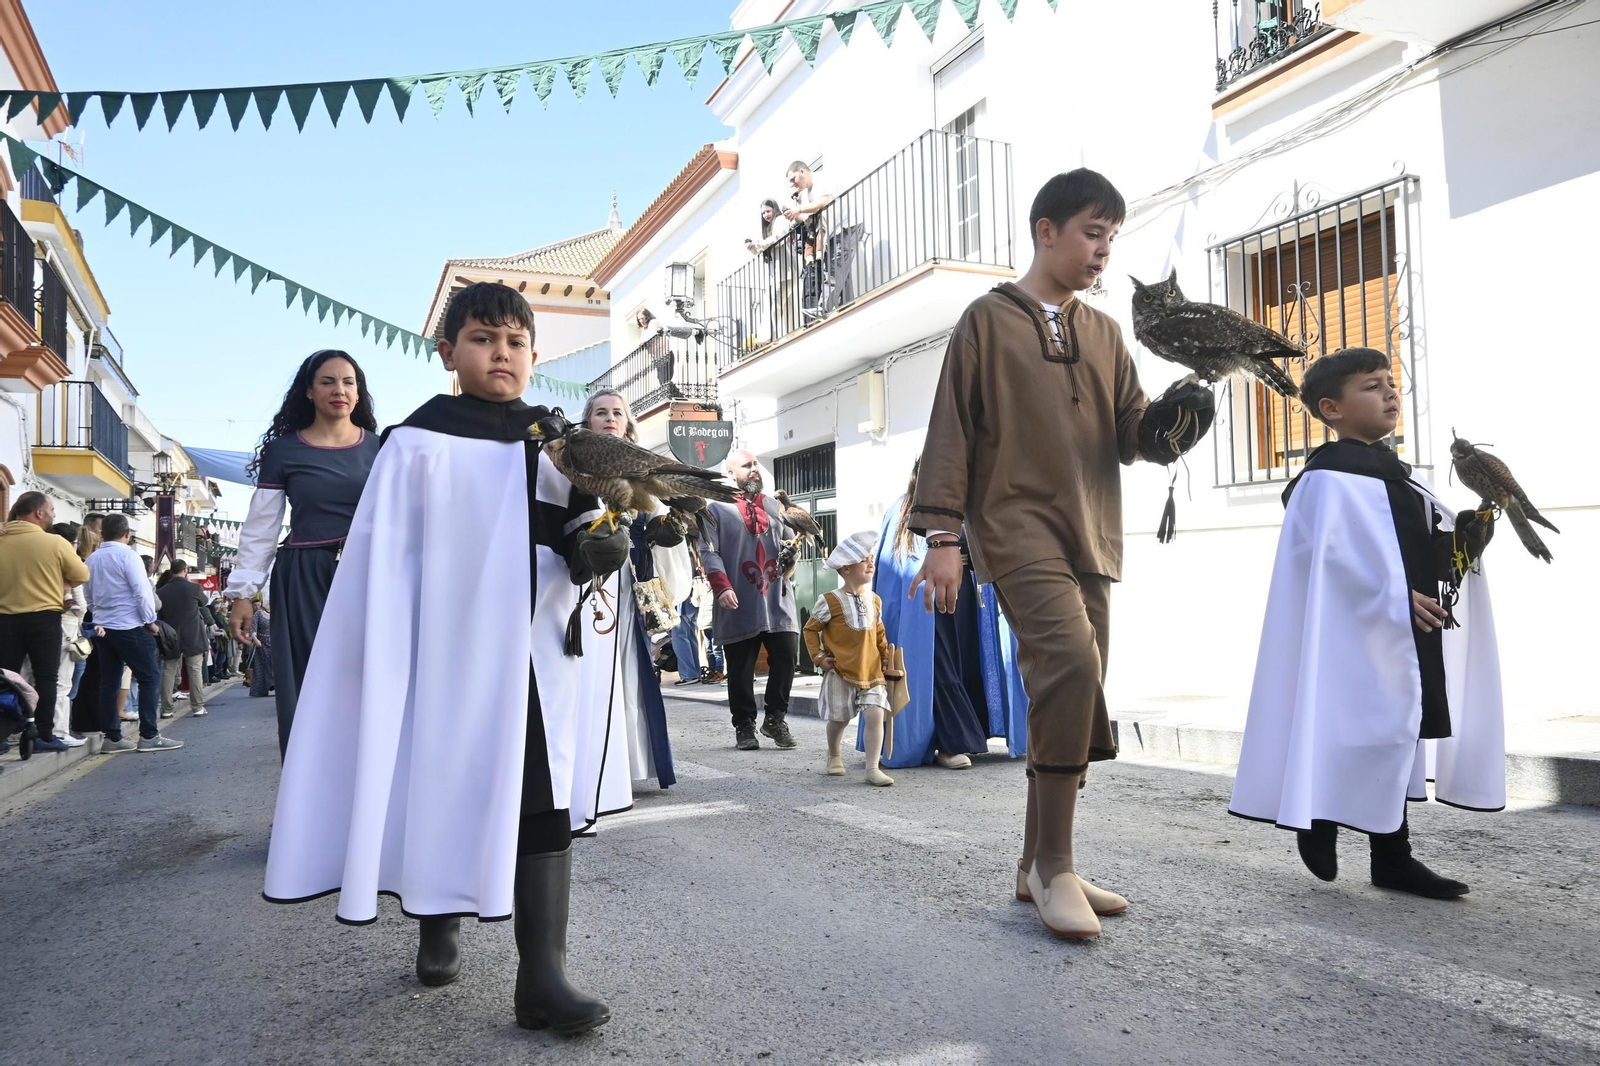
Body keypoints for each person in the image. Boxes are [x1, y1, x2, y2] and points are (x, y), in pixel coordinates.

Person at [263, 282, 632, 1035]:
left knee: (540, 792)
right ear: (448, 352)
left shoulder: (553, 437)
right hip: (446, 649)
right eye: (483, 338)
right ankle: (436, 915)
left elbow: (579, 521)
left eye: (517, 342)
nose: (503, 353)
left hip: (532, 652)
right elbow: (389, 559)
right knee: (441, 779)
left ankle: (542, 978)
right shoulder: (416, 440)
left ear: (534, 354)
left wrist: (597, 542)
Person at [906, 169, 1216, 939]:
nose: (1104, 249)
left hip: (1094, 533)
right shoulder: (987, 320)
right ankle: (1054, 867)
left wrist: (1173, 425)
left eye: (1112, 235)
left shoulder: (1106, 334)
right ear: (1046, 230)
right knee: (1072, 667)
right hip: (1013, 528)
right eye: (1091, 231)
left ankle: (1038, 864)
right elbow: (949, 430)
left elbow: (1134, 434)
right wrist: (943, 535)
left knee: (1073, 692)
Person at [1229, 348, 1505, 899]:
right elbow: (1328, 561)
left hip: (1404, 631)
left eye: (1391, 383)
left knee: (1395, 733)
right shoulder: (1328, 478)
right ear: (1331, 409)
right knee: (1350, 726)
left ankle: (1392, 858)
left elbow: (1420, 546)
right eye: (1372, 386)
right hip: (1350, 637)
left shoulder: (1397, 475)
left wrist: (1463, 540)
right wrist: (1392, 595)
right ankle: (1317, 816)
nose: (1390, 393)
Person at [226, 349, 382, 758]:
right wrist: (243, 594)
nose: (339, 390)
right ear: (309, 391)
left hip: (371, 576)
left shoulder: (383, 449)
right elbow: (261, 528)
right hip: (304, 580)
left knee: (371, 683)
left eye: (349, 382)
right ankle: (311, 796)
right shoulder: (283, 451)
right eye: (328, 381)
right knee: (313, 686)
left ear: (359, 391)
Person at [872, 459, 1026, 771]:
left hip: (969, 596)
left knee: (969, 663)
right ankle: (949, 742)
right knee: (938, 667)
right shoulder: (903, 511)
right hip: (927, 605)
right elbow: (896, 572)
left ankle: (974, 731)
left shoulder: (969, 506)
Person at [580, 388, 688, 790]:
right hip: (581, 589)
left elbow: (662, 528)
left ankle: (625, 764)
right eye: (600, 412)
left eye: (618, 413)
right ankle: (588, 763)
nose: (610, 418)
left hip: (626, 590)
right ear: (587, 421)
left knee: (626, 671)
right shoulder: (575, 467)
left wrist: (669, 530)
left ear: (628, 424)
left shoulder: (642, 469)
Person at [700, 450, 800, 750]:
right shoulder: (714, 509)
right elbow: (709, 552)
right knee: (741, 668)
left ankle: (775, 719)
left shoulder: (774, 506)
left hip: (777, 597)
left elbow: (790, 546)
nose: (755, 469)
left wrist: (792, 557)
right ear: (731, 473)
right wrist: (722, 586)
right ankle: (744, 726)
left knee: (786, 656)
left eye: (756, 464)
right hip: (737, 598)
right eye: (747, 465)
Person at [803, 532, 903, 786]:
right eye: (864, 560)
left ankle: (872, 767)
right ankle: (834, 755)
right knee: (839, 719)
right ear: (846, 568)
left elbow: (879, 633)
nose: (871, 564)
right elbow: (810, 629)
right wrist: (819, 657)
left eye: (872, 559)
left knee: (875, 715)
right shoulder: (829, 601)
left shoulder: (875, 600)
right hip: (840, 671)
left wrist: (884, 659)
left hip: (872, 672)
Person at [0, 492, 90, 752]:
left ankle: (4, 734)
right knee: (47, 678)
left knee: (7, 678)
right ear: (39, 512)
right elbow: (82, 573)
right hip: (44, 618)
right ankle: (43, 734)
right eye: (51, 509)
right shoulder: (54, 543)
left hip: (5, 618)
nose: (54, 514)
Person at [85, 514, 179, 754]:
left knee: (109, 682)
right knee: (149, 677)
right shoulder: (129, 556)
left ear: (102, 534)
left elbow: (88, 594)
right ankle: (149, 735)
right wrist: (150, 622)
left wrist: (98, 616)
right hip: (129, 626)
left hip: (104, 627)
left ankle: (112, 737)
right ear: (127, 534)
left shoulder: (92, 559)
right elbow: (142, 593)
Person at [156, 560, 211, 719]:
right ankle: (198, 707)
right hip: (193, 635)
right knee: (195, 671)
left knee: (168, 672)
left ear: (171, 571)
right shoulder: (194, 588)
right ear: (185, 570)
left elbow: (159, 614)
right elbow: (205, 602)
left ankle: (167, 709)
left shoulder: (161, 592)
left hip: (169, 636)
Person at [744, 198, 793, 342]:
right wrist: (754, 247)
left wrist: (758, 244)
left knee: (774, 304)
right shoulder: (768, 229)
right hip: (781, 273)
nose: (766, 215)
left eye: (768, 211)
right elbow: (766, 247)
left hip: (786, 271)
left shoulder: (780, 221)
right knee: (786, 307)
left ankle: (767, 337)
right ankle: (790, 334)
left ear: (774, 209)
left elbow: (779, 238)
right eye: (763, 213)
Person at [247, 597, 274, 698]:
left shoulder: (276, 612)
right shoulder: (258, 614)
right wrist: (256, 640)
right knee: (264, 666)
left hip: (275, 643)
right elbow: (253, 629)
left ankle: (275, 685)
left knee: (274, 665)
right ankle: (262, 689)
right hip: (262, 644)